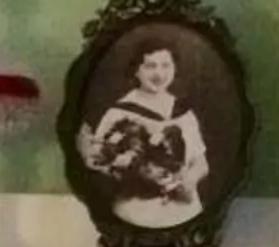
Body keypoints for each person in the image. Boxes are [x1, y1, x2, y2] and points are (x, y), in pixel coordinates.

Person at [79, 41, 209, 224]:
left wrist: (188, 180)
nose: (159, 74)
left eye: (166, 65)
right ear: (136, 70)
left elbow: (201, 163)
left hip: (185, 211)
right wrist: (135, 172)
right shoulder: (118, 113)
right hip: (137, 210)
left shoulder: (183, 111)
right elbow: (100, 161)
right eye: (150, 66)